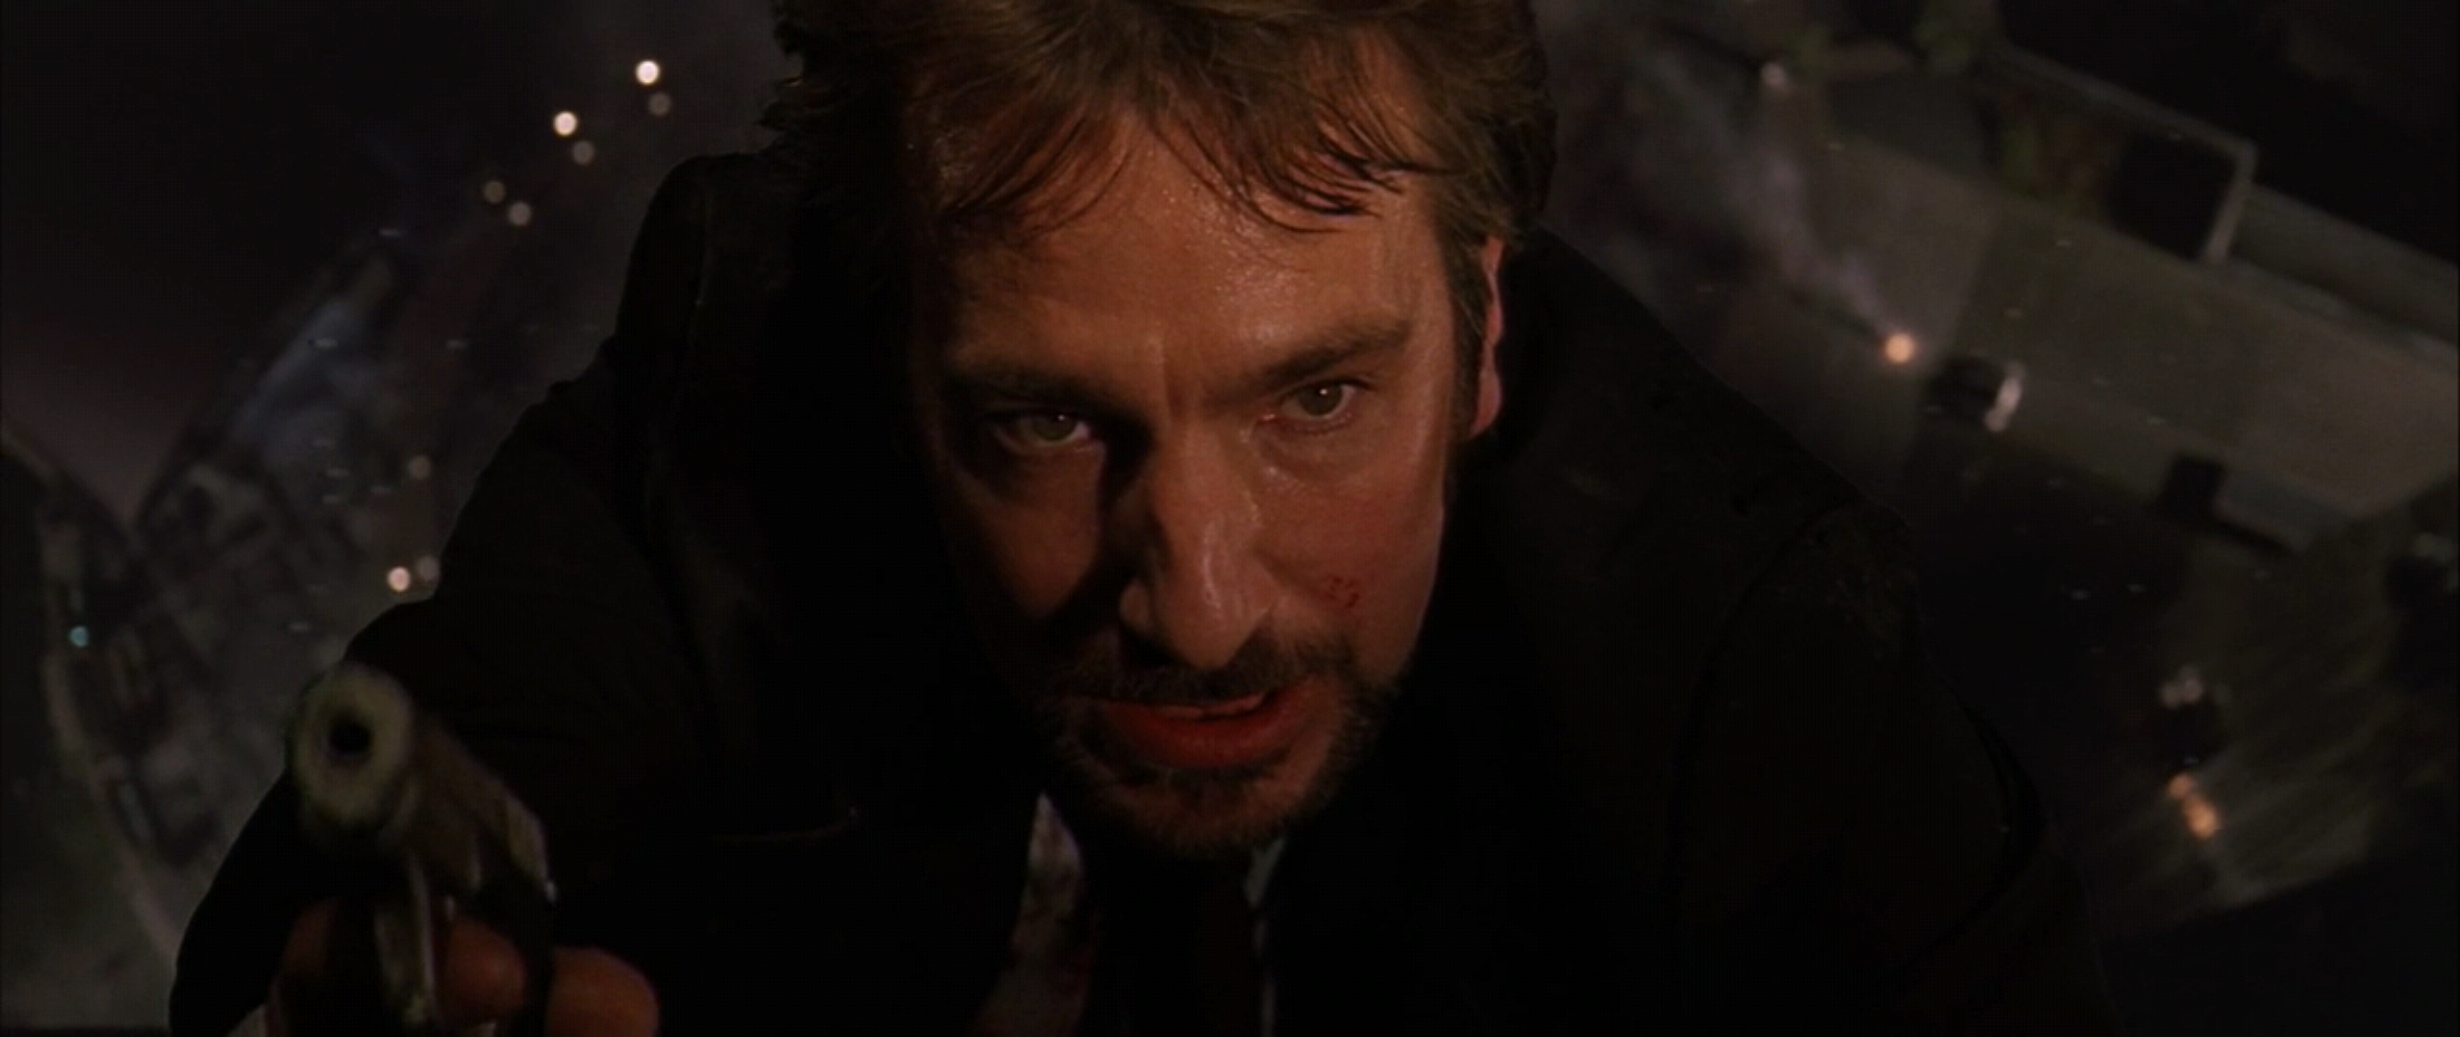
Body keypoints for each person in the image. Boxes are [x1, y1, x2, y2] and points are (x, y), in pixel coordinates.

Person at [171, 1, 2117, 1033]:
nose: (1193, 603)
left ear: (1486, 339)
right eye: (1041, 420)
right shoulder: (734, 384)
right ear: (895, 354)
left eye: (1318, 398)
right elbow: (473, 726)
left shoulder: (1745, 643)